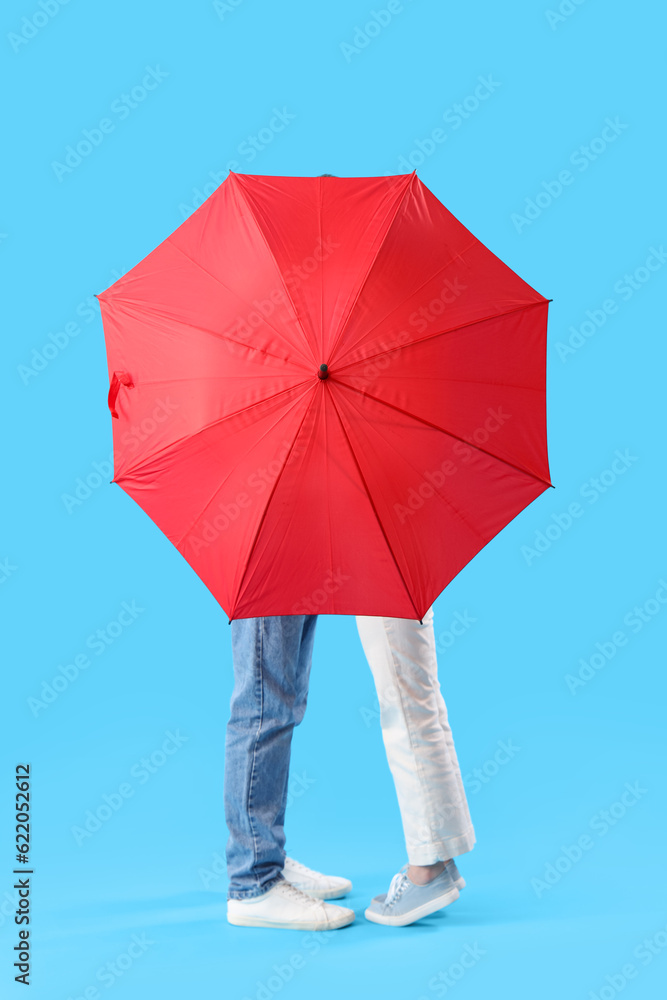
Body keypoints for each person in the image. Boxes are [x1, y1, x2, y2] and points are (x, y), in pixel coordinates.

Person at [225, 614, 355, 930]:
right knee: (263, 705)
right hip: (270, 568)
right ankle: (255, 878)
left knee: (287, 698)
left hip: (299, 568)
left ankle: (269, 854)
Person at [355, 606, 475, 926]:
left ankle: (425, 870)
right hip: (403, 579)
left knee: (405, 712)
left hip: (380, 579)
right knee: (423, 705)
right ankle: (441, 852)